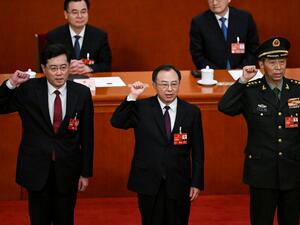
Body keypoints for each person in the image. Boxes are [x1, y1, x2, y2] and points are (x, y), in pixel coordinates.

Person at [0, 44, 94, 225]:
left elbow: (87, 136)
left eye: (63, 67)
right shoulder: (29, 90)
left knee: (65, 219)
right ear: (43, 68)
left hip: (68, 169)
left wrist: (85, 172)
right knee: (39, 220)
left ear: (69, 66)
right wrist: (11, 84)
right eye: (53, 68)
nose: (59, 73)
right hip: (36, 169)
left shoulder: (81, 93)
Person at [218, 37, 300, 225]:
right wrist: (242, 80)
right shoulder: (251, 91)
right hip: (262, 172)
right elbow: (225, 107)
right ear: (261, 64)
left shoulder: (297, 90)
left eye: (282, 62)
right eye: (272, 62)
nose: (278, 67)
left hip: (293, 170)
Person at [111, 64, 204, 225]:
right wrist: (132, 96)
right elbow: (117, 121)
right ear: (154, 85)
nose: (169, 89)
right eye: (164, 84)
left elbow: (198, 151)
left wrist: (196, 182)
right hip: (148, 181)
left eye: (174, 84)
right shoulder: (141, 107)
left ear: (179, 84)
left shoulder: (191, 111)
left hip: (179, 182)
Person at [46, 0, 112, 74]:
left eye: (83, 12)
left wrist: (89, 68)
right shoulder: (54, 36)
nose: (80, 16)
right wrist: (65, 68)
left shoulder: (99, 35)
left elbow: (106, 65)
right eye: (75, 12)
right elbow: (46, 65)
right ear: (66, 14)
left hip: (91, 80)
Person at [190, 0, 259, 70]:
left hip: (243, 72)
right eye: (211, 0)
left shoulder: (245, 18)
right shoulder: (199, 22)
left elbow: (254, 49)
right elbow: (197, 54)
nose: (214, 3)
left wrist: (241, 68)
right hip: (212, 75)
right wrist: (216, 72)